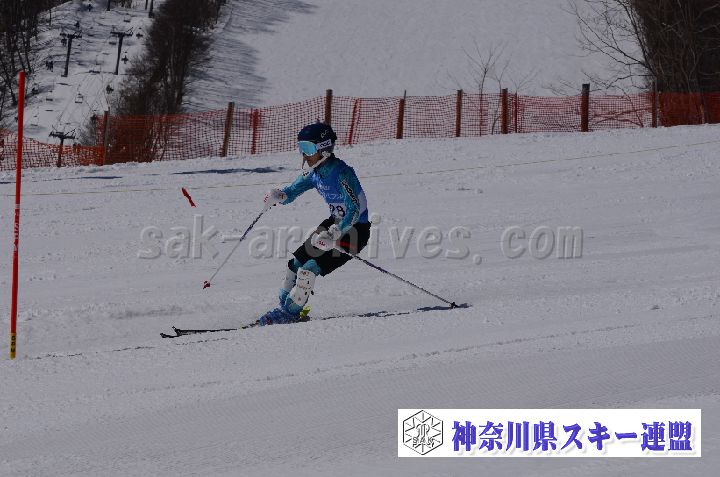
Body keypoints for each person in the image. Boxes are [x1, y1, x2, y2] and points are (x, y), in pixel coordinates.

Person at [258, 122, 370, 325]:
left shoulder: (342, 173)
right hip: (333, 224)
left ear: (324, 148)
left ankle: (290, 313)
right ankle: (285, 308)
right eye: (301, 148)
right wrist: (279, 195)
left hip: (355, 230)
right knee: (295, 265)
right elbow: (292, 191)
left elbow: (355, 210)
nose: (304, 154)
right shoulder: (315, 172)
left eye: (308, 148)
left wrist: (335, 234)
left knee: (309, 269)